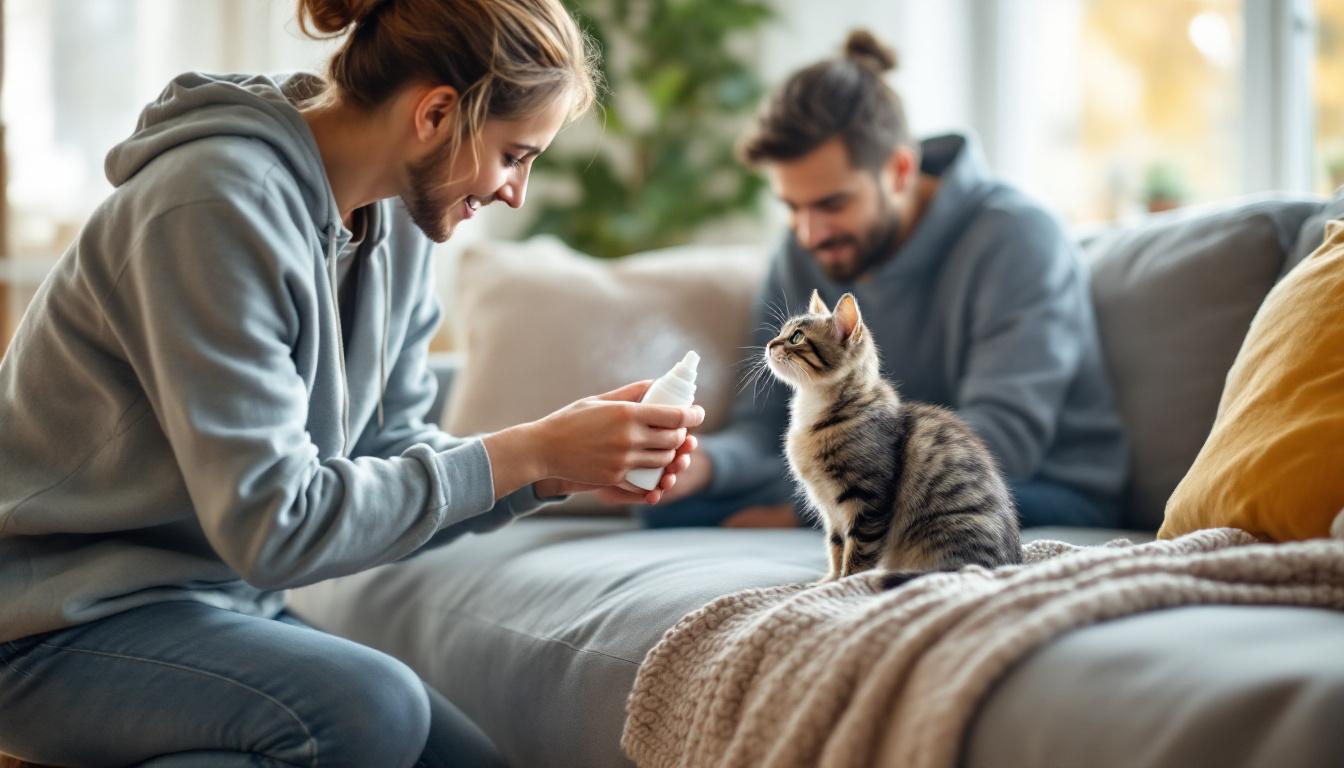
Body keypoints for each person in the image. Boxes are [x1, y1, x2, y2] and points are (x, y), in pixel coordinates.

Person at [0, 1, 703, 765]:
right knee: (374, 709)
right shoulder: (211, 204)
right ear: (436, 113)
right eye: (515, 155)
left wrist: (552, 469)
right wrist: (526, 452)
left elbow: (390, 446)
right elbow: (277, 528)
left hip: (212, 608)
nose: (516, 193)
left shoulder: (398, 219)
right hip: (47, 625)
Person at [644, 29, 1126, 531]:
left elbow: (1001, 442)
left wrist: (802, 509)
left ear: (899, 170)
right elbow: (762, 426)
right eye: (792, 207)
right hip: (861, 465)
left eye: (832, 204)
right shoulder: (801, 250)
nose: (809, 234)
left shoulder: (1019, 237)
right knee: (666, 508)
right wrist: (703, 466)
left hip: (1024, 484)